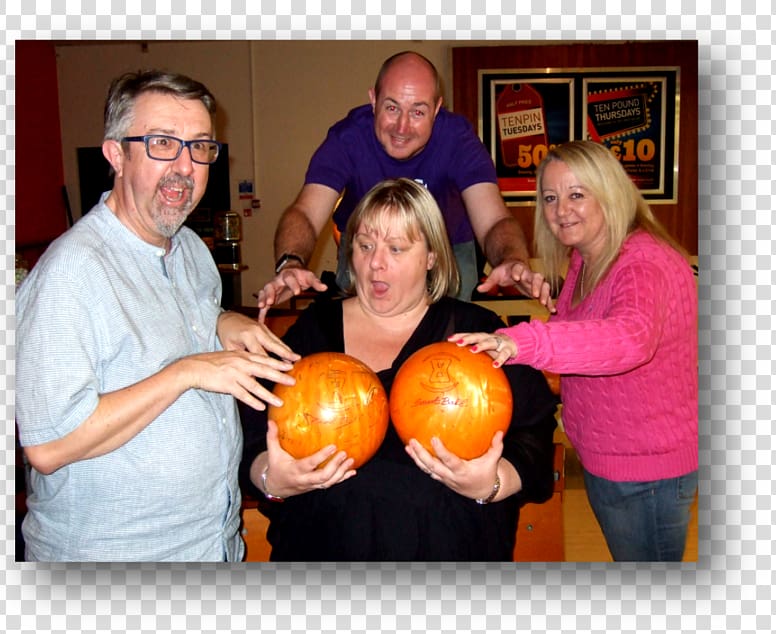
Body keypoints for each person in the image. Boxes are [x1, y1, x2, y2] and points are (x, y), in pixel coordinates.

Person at [15, 70, 300, 562]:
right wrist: (186, 373)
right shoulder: (70, 274)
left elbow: (172, 317)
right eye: (163, 143)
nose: (185, 166)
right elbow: (49, 445)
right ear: (116, 155)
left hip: (213, 546)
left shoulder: (189, 248)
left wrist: (220, 320)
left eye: (200, 147)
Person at [241, 178, 559, 561]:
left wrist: (492, 483)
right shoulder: (313, 331)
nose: (376, 263)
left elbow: (535, 435)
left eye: (396, 248)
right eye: (364, 245)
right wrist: (271, 478)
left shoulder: (479, 333)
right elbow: (252, 428)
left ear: (431, 257)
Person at [450, 140, 698, 561]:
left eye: (576, 194)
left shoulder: (642, 262)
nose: (561, 209)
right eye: (550, 197)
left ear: (610, 192)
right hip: (610, 459)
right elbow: (584, 340)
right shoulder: (588, 258)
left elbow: (629, 338)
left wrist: (520, 340)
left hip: (647, 472)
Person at [257, 50, 553, 321]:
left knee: (447, 330)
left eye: (418, 112)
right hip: (365, 240)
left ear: (437, 110)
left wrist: (512, 259)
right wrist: (291, 262)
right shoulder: (348, 138)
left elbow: (493, 220)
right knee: (360, 324)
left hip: (447, 242)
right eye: (392, 108)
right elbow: (306, 213)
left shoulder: (458, 140)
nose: (402, 127)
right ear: (373, 100)